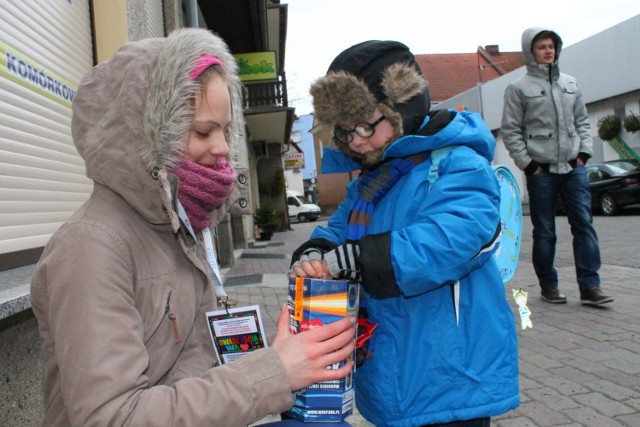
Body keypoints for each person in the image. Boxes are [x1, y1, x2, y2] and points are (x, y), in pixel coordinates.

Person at [29, 28, 356, 426]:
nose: (221, 148)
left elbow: (191, 363)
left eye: (224, 129)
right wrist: (273, 372)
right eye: (203, 131)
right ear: (147, 134)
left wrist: (281, 353)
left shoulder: (179, 222)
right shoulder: (91, 246)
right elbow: (112, 417)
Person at [290, 40, 519, 427]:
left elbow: (457, 236)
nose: (357, 141)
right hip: (394, 370)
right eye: (345, 133)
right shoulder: (371, 181)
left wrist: (359, 259)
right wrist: (314, 252)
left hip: (450, 376)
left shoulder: (457, 162)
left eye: (366, 124)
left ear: (401, 109)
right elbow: (339, 229)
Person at [501, 28, 614, 306]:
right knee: (545, 231)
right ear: (530, 51)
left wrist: (584, 154)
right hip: (541, 171)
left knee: (584, 225)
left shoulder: (571, 83)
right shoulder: (518, 88)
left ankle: (590, 287)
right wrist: (528, 166)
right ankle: (548, 285)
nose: (548, 51)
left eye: (551, 46)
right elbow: (511, 131)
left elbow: (583, 122)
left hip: (573, 167)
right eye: (541, 47)